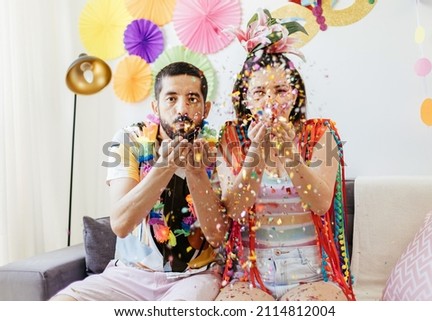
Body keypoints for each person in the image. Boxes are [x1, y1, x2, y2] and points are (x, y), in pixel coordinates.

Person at [51, 61, 229, 301]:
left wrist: (197, 174)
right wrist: (163, 168)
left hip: (195, 278)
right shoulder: (129, 139)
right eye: (171, 98)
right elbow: (121, 224)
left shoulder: (218, 148)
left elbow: (218, 237)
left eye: (192, 99)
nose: (182, 109)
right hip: (127, 276)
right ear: (155, 106)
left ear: (206, 109)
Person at [214, 9, 355, 301]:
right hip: (248, 279)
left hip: (312, 278)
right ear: (245, 98)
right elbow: (235, 211)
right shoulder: (231, 138)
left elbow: (319, 202)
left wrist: (290, 154)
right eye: (260, 92)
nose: (271, 101)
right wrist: (255, 152)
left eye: (280, 90)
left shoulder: (321, 134)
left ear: (295, 95)